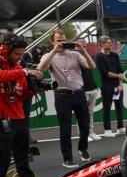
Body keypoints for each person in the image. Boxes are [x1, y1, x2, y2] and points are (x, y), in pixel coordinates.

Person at [37, 29, 95, 168]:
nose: (62, 43)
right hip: (62, 96)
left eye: (64, 40)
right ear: (53, 42)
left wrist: (82, 50)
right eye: (58, 41)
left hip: (79, 93)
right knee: (65, 129)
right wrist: (54, 51)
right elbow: (41, 68)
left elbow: (91, 66)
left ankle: (83, 148)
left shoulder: (74, 53)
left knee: (85, 125)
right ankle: (67, 158)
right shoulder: (48, 55)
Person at [0, 35, 43, 177]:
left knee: (22, 156)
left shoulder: (18, 66)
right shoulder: (18, 69)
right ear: (5, 50)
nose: (20, 57)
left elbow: (22, 93)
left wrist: (34, 89)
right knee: (2, 160)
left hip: (18, 117)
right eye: (17, 54)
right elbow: (2, 76)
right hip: (2, 118)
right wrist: (24, 72)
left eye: (21, 54)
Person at [94, 36, 125, 136]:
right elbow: (105, 73)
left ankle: (120, 127)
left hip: (117, 86)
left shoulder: (115, 55)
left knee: (119, 106)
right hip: (106, 86)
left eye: (110, 42)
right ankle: (107, 129)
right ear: (101, 44)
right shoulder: (98, 56)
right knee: (107, 108)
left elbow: (120, 70)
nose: (110, 44)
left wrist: (120, 84)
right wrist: (118, 76)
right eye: (107, 43)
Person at [80, 48, 102, 142]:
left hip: (92, 88)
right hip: (82, 90)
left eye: (85, 46)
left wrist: (85, 53)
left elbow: (93, 66)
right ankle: (84, 134)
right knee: (82, 114)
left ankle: (91, 132)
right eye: (81, 46)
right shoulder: (74, 58)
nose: (83, 48)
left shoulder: (87, 57)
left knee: (90, 113)